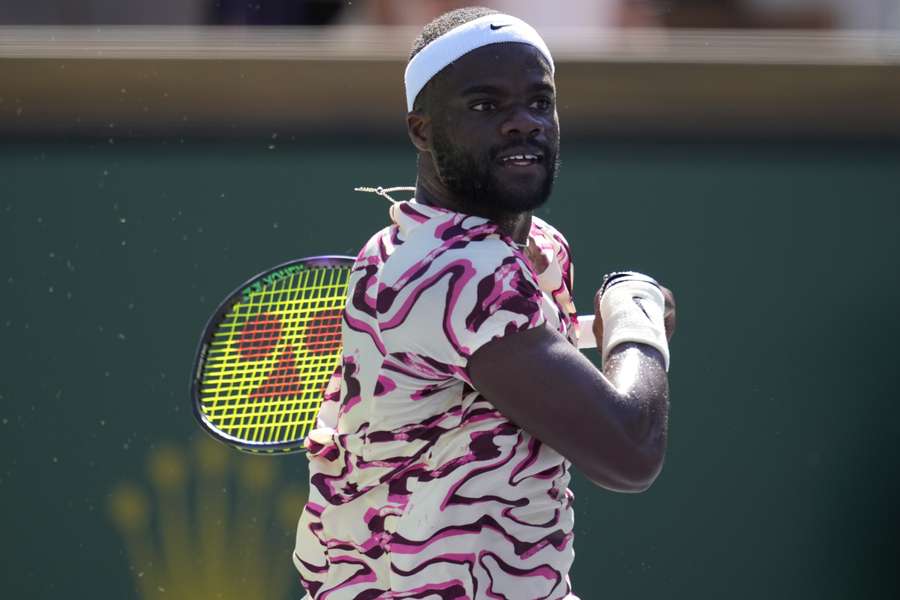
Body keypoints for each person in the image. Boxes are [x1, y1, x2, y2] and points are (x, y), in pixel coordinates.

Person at [293, 6, 676, 598]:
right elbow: (630, 450)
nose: (523, 123)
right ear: (421, 130)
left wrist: (597, 329)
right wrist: (636, 316)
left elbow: (511, 360)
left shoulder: (516, 249)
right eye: (485, 106)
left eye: (539, 102)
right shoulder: (454, 270)